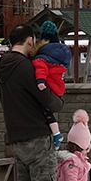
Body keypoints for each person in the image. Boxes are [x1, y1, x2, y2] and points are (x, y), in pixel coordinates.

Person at [0, 24, 65, 181]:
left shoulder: (1, 66)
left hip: (16, 136)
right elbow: (48, 100)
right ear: (29, 40)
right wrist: (59, 99)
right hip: (37, 134)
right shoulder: (25, 67)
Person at [33, 20, 72, 149]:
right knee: (48, 111)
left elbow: (41, 69)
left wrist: (40, 81)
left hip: (49, 87)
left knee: (44, 111)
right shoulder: (62, 55)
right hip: (59, 88)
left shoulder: (42, 57)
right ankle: (56, 134)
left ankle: (56, 134)